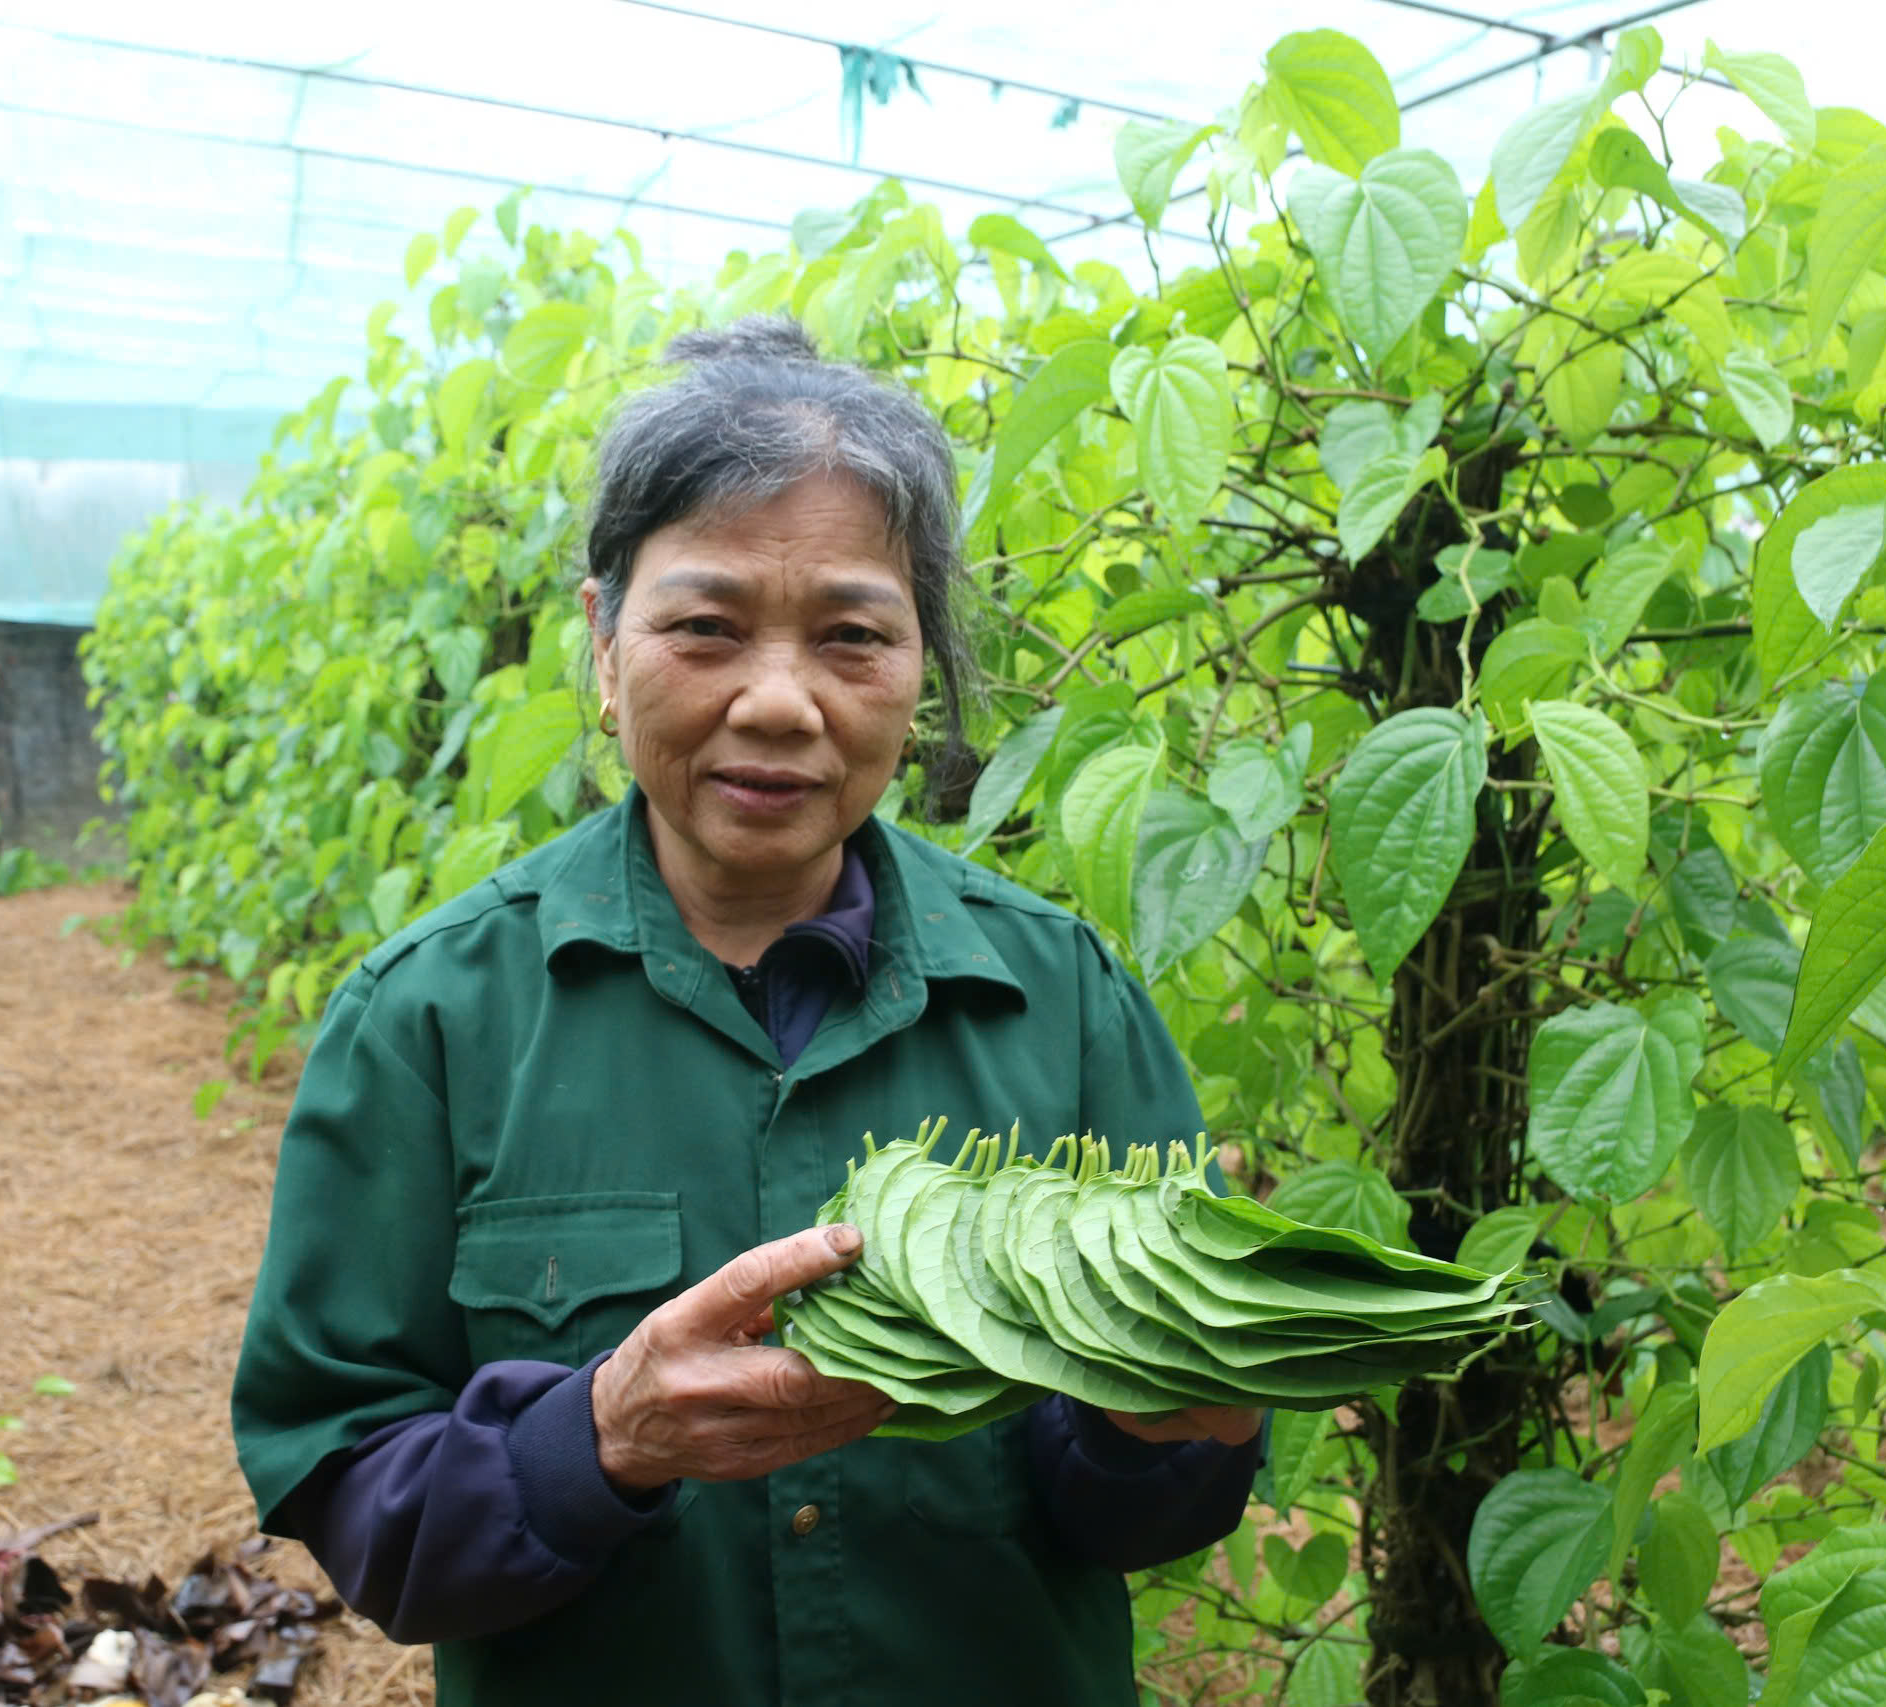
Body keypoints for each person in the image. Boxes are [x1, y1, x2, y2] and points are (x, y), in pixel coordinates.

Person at [231, 317, 1264, 1707]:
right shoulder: (430, 1020)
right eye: (705, 628)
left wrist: (1171, 1426)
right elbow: (353, 1498)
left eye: (852, 635)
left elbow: (1138, 1521)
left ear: (922, 669)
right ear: (603, 645)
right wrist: (601, 1438)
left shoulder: (1064, 1000)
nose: (779, 703)